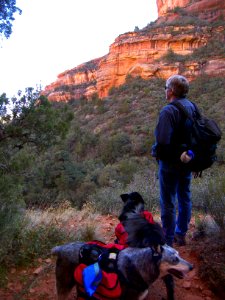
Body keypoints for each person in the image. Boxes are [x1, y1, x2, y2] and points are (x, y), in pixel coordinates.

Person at [151, 74, 196, 247]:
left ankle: (168, 240)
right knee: (184, 196)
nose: (165, 91)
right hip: (187, 160)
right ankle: (181, 234)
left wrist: (155, 152)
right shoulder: (192, 106)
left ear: (170, 91)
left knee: (168, 201)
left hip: (169, 163)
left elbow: (162, 141)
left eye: (165, 88)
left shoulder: (168, 111)